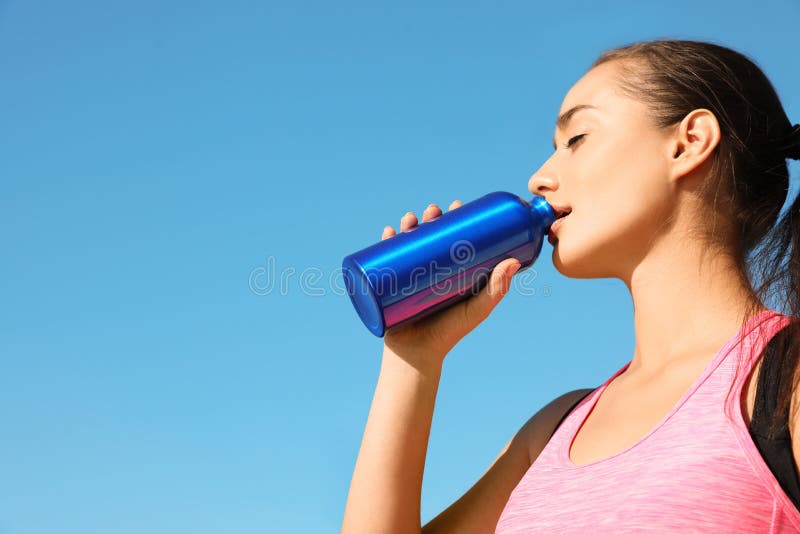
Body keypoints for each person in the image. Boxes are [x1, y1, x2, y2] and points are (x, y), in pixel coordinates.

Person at [341, 39, 800, 532]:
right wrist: (413, 358)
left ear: (688, 143)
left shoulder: (783, 386)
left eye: (577, 138)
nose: (540, 177)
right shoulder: (553, 430)